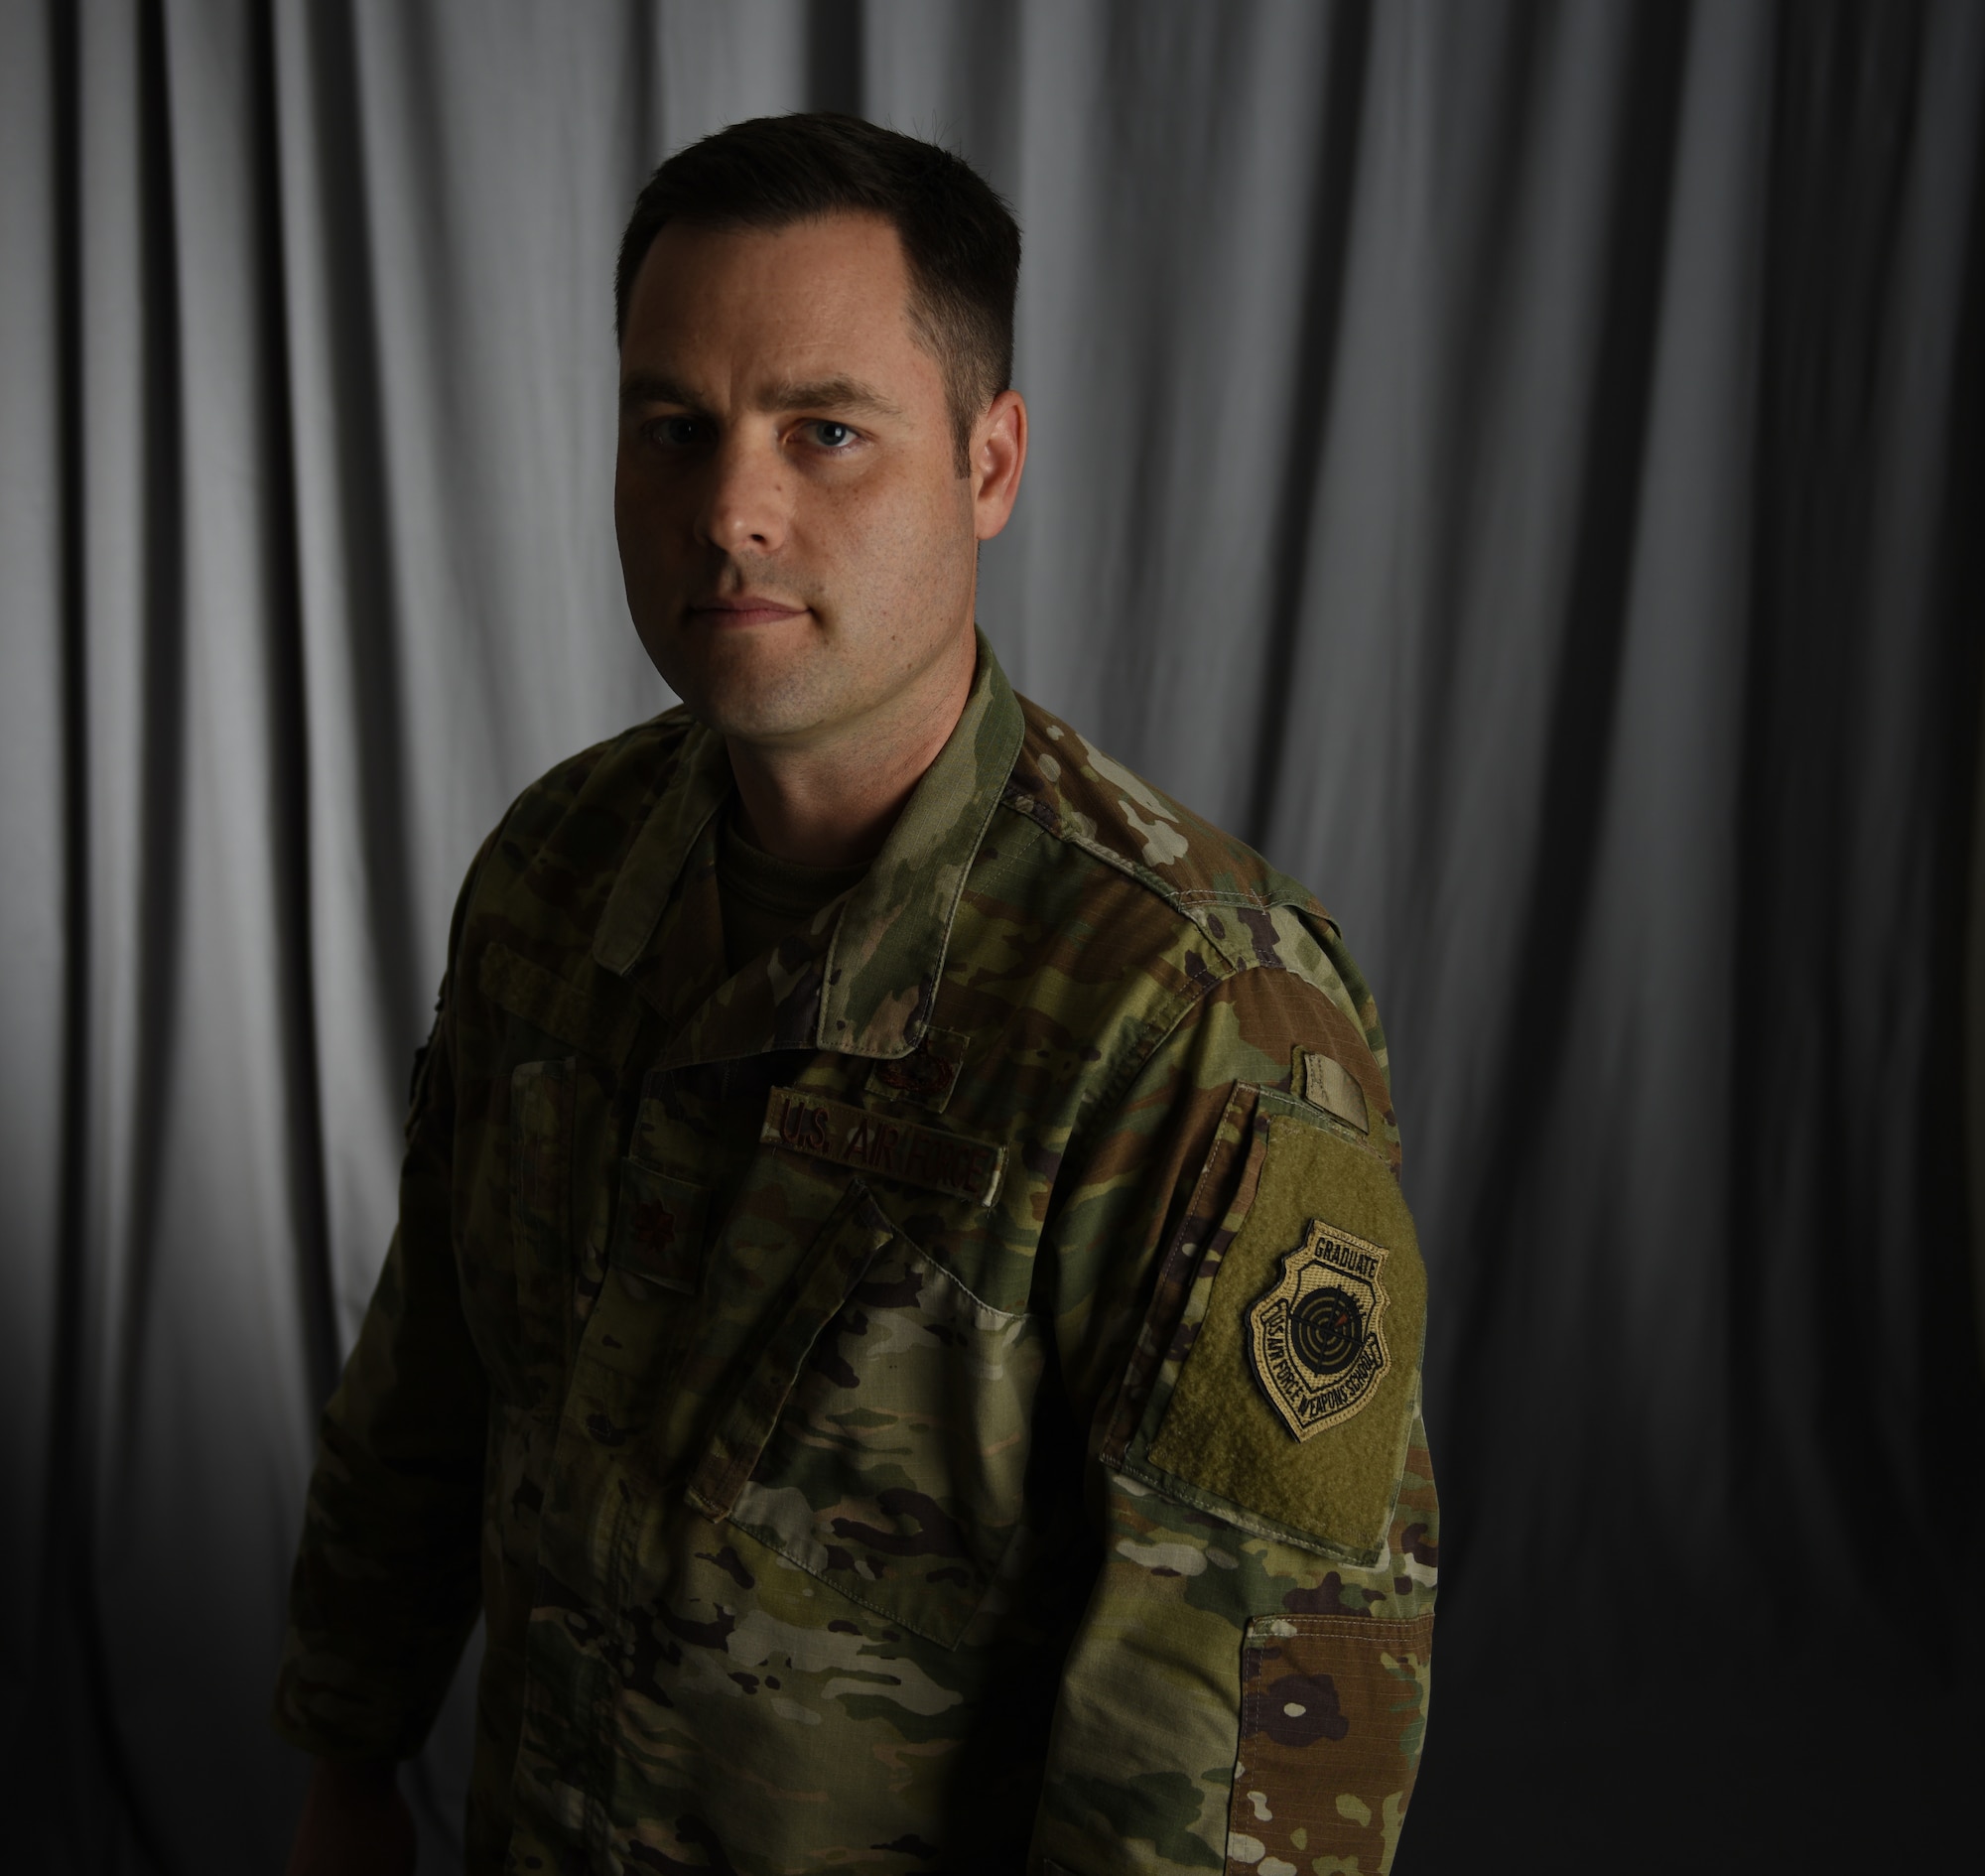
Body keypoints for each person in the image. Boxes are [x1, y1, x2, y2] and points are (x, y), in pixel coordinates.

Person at [275, 111, 1437, 1876]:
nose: (731, 508)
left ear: (989, 463)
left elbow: (1233, 1746)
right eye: (675, 429)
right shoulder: (558, 872)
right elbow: (432, 1373)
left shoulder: (1196, 1016)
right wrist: (350, 1763)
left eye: (825, 431)